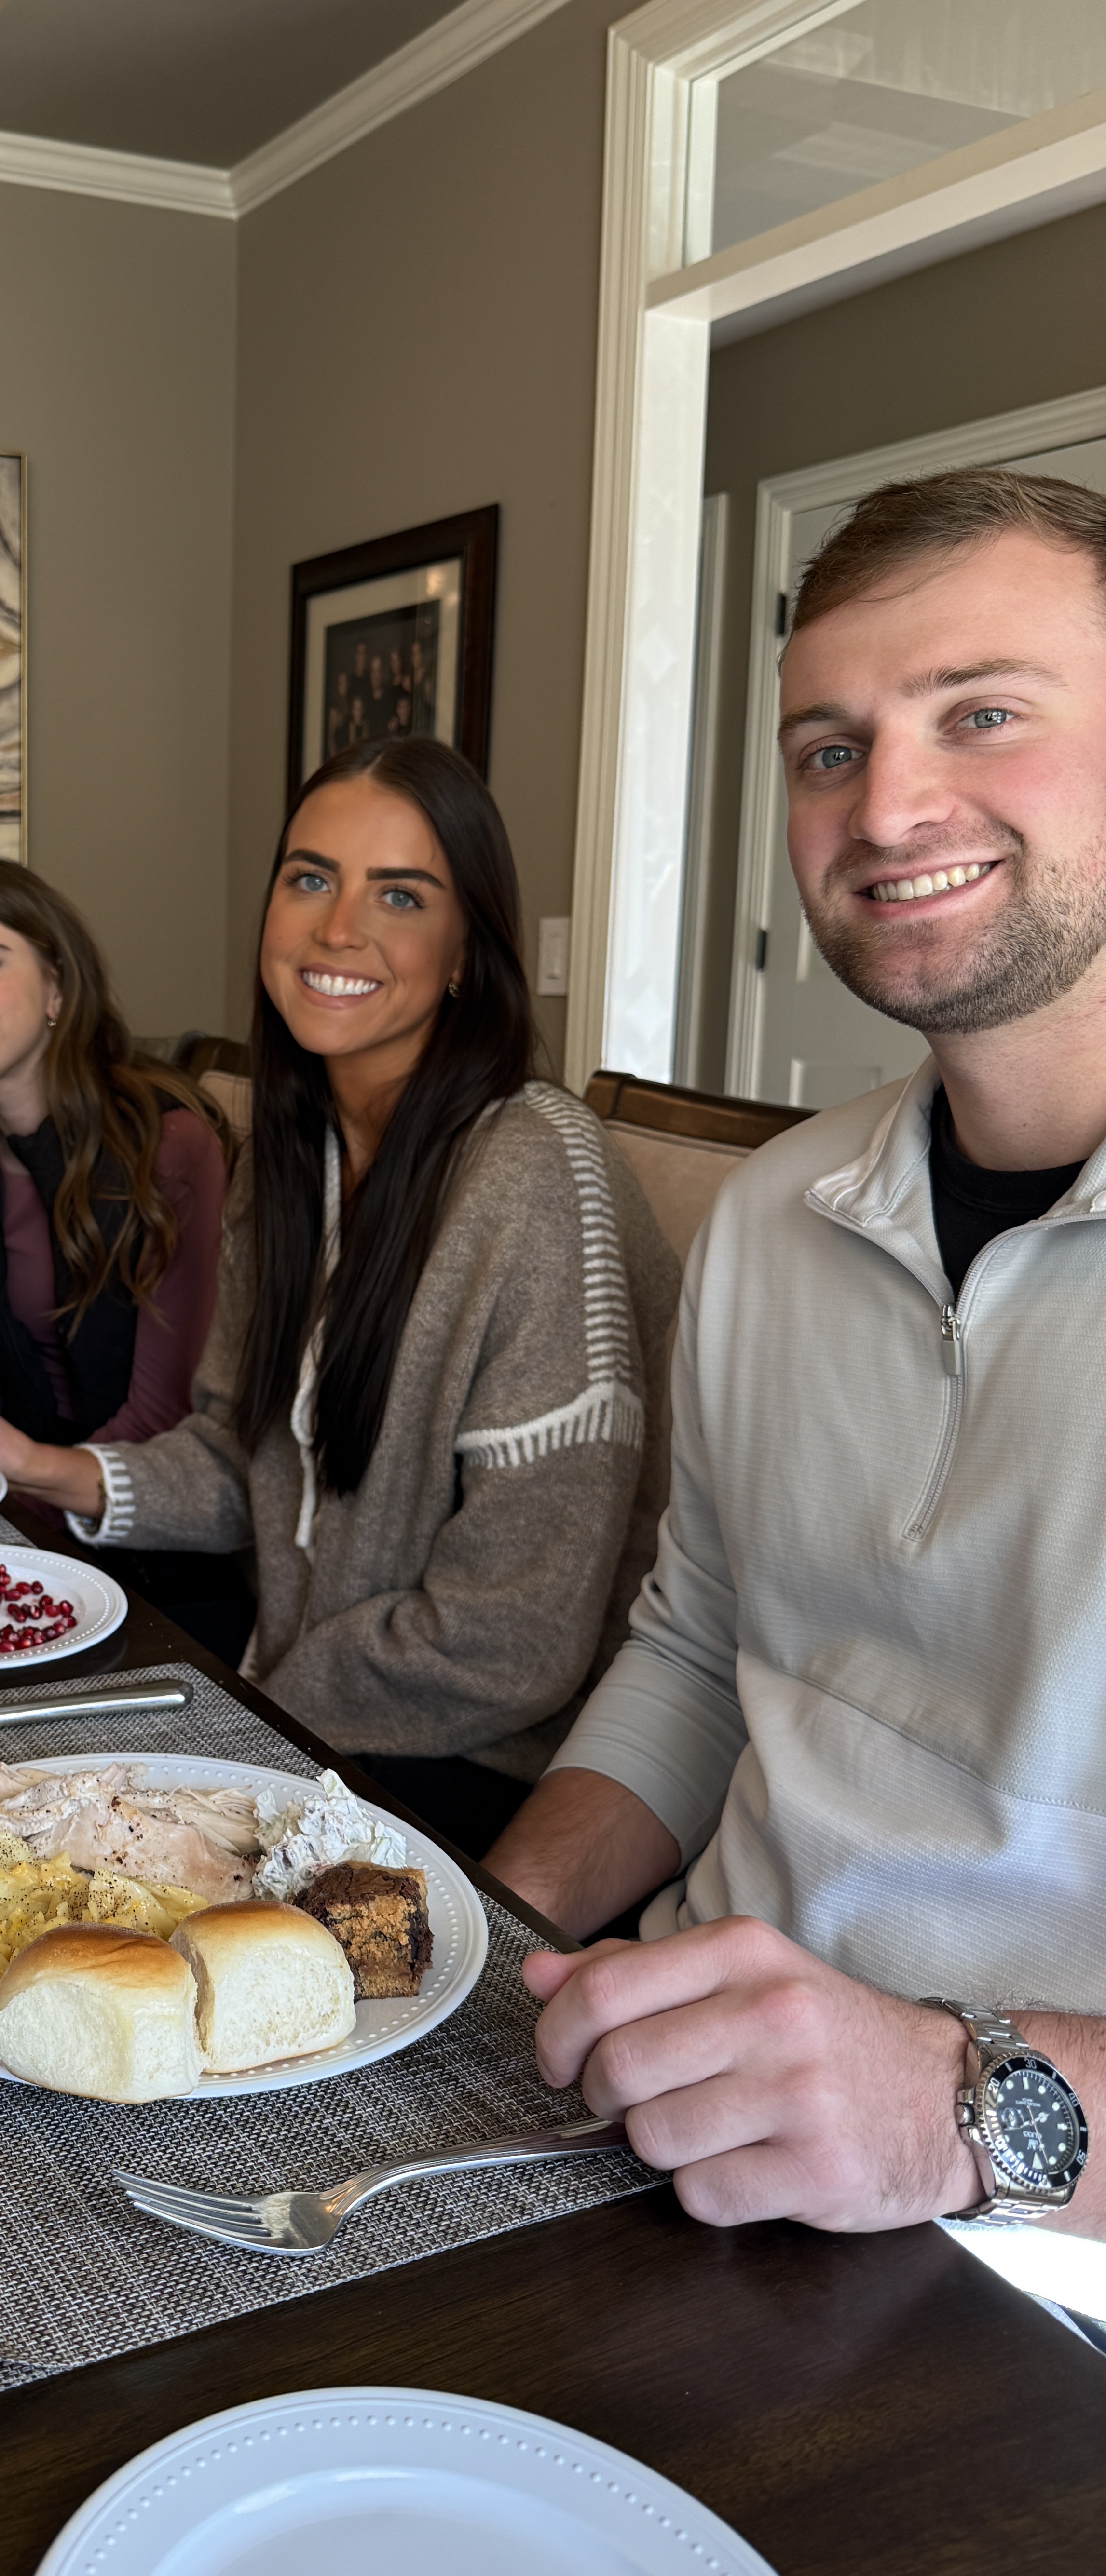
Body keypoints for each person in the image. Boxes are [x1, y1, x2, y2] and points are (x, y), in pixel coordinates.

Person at [486, 467, 1106, 2245]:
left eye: (978, 713)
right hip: (656, 2120)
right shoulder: (769, 1219)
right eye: (825, 747)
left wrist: (946, 2107)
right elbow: (693, 1651)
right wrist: (478, 1928)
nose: (887, 801)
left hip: (1027, 2266)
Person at [0, 744, 678, 1854]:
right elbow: (235, 1461)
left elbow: (511, 1642)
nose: (335, 929)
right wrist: (25, 1460)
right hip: (300, 1707)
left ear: (466, 951)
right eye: (310, 878)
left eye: (399, 895)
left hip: (473, 1768)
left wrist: (251, 1712)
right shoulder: (289, 1166)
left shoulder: (535, 1177)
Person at [0, 858, 228, 1457]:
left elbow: (163, 1418)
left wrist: (20, 1490)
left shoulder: (170, 1145)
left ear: (58, 987)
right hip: (17, 1490)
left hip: (139, 1507)